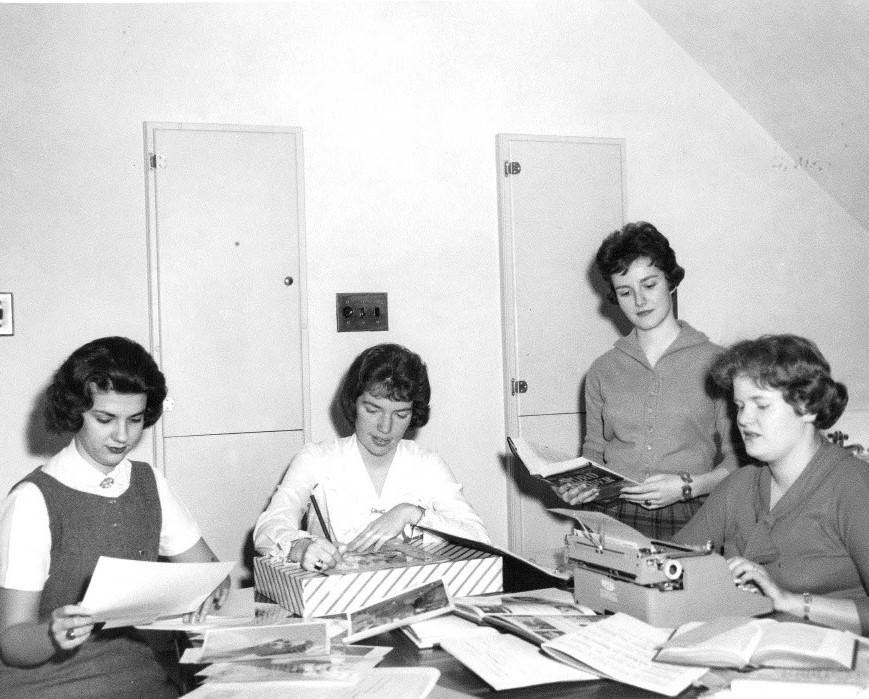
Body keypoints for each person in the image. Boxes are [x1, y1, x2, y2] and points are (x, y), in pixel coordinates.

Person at [0, 337, 231, 698]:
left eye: (135, 420)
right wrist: (52, 633)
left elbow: (211, 574)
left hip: (136, 676)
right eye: (105, 419)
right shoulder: (33, 500)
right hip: (48, 684)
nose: (122, 436)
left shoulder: (148, 482)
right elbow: (11, 642)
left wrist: (210, 592)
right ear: (76, 411)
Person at [555, 222, 738, 539]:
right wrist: (580, 486)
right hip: (612, 514)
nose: (639, 301)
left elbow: (739, 464)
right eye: (626, 292)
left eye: (649, 285)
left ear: (671, 281)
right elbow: (594, 453)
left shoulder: (719, 363)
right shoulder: (602, 370)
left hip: (694, 514)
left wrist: (686, 486)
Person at [675, 335, 869, 635]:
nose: (743, 419)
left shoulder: (853, 485)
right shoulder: (740, 484)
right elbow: (672, 558)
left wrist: (789, 602)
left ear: (809, 408)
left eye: (761, 405)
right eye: (739, 405)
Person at [254, 343, 489, 571]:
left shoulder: (427, 463)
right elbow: (268, 528)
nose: (385, 428)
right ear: (353, 404)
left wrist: (412, 514)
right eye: (373, 410)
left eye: (400, 414)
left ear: (413, 414)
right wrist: (302, 547)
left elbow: (479, 537)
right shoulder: (316, 458)